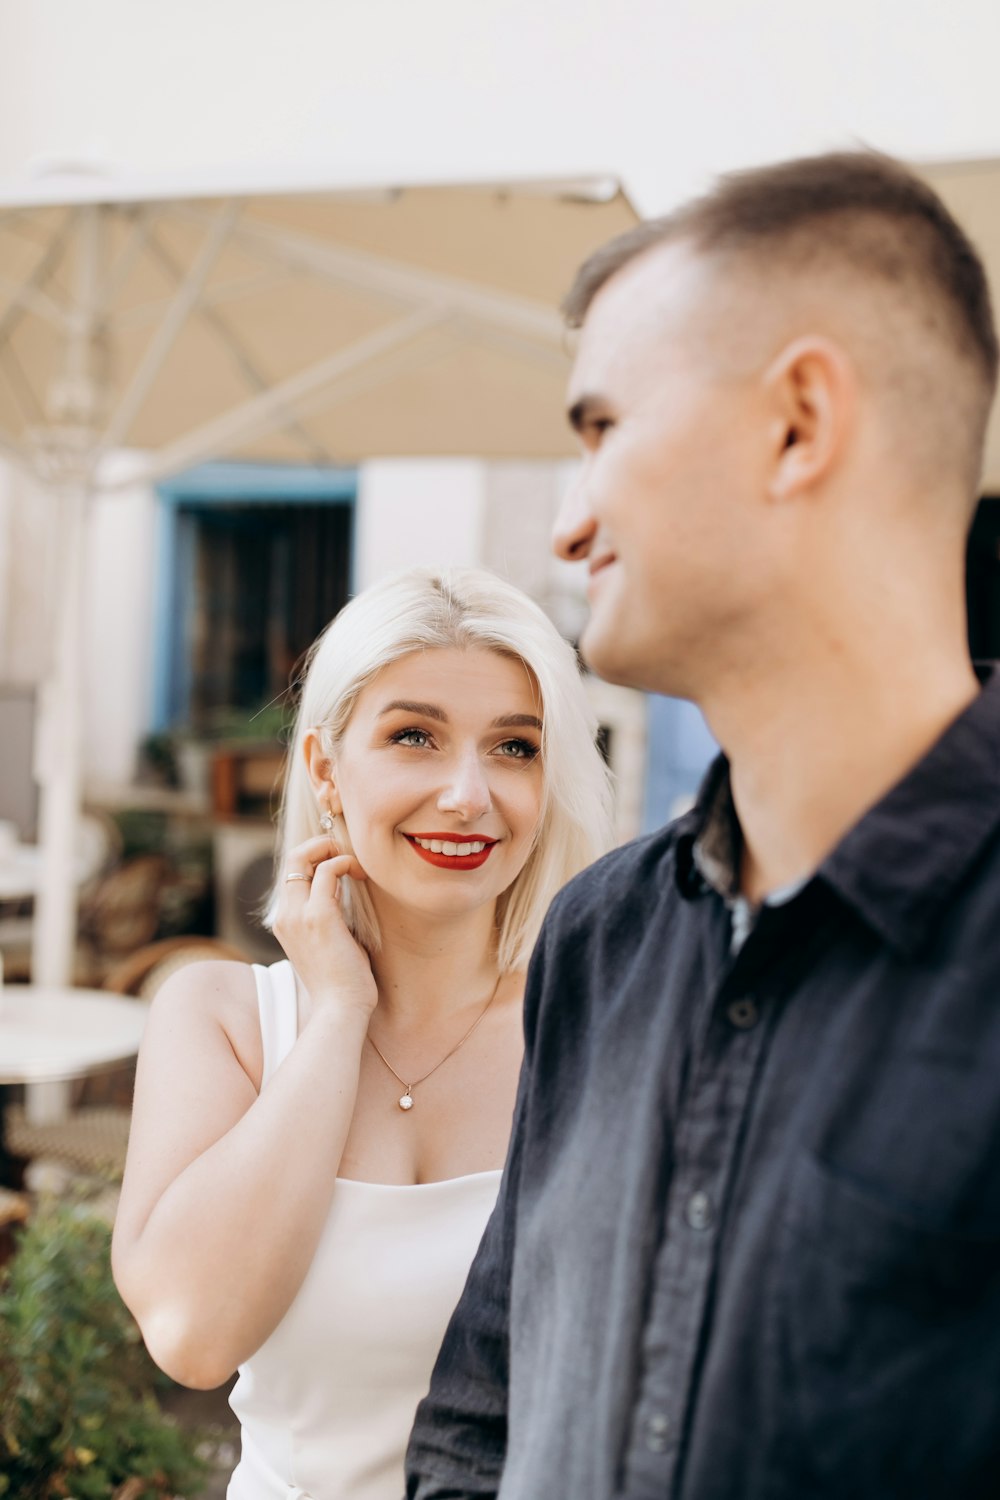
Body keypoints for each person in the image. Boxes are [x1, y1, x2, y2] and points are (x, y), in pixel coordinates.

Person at [405, 152, 1000, 1500]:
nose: (566, 526)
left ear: (798, 421)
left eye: (603, 428)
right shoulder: (601, 938)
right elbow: (478, 1418)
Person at [111, 566, 613, 1500]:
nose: (468, 794)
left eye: (514, 747)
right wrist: (337, 1013)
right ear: (325, 770)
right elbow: (192, 1335)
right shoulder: (222, 1016)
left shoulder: (597, 1028)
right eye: (414, 736)